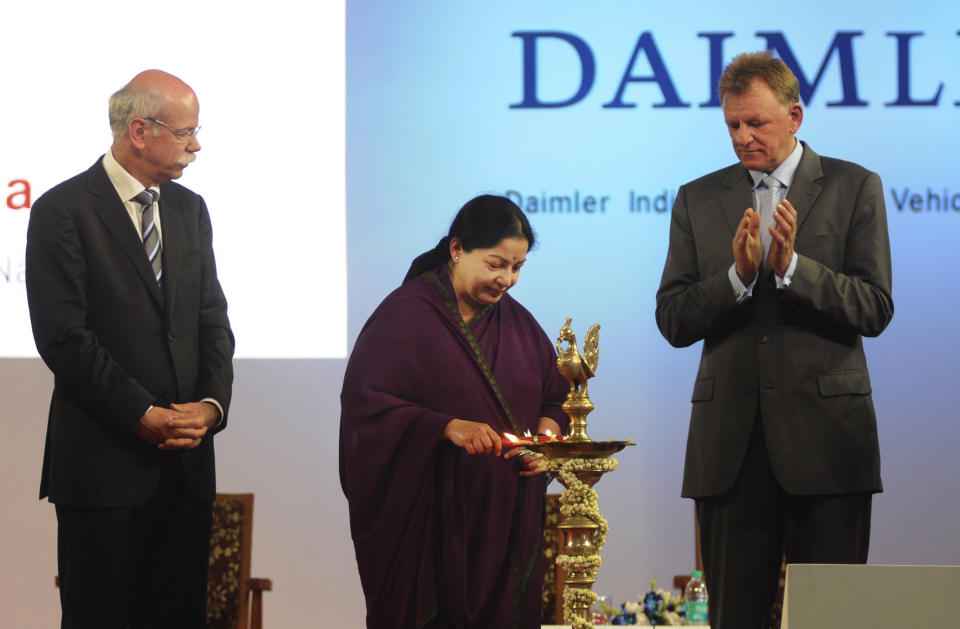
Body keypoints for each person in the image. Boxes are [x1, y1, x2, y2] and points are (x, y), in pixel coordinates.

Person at [655, 52, 893, 629]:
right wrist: (736, 278)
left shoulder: (854, 186)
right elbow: (673, 319)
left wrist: (792, 270)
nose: (742, 137)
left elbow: (874, 307)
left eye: (756, 123)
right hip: (730, 453)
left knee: (831, 618)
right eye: (732, 124)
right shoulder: (698, 198)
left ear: (795, 115)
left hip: (829, 447)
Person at [25, 70, 234, 629]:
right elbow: (63, 337)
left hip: (185, 470)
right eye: (186, 131)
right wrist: (140, 413)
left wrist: (211, 406)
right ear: (139, 130)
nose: (197, 145)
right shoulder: (62, 210)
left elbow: (212, 320)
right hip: (102, 472)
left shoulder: (191, 210)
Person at [340, 194, 570, 628]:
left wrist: (546, 438)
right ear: (457, 249)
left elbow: (555, 400)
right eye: (496, 263)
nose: (508, 279)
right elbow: (365, 407)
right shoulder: (405, 315)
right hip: (429, 532)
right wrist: (445, 427)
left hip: (503, 524)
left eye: (517, 267)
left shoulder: (520, 325)